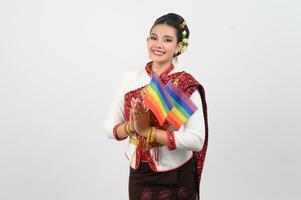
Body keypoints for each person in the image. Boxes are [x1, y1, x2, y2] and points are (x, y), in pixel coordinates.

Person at [104, 13, 209, 200]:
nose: (158, 44)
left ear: (178, 47)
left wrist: (149, 132)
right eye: (154, 38)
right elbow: (109, 128)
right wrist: (132, 127)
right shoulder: (131, 79)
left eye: (167, 40)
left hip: (176, 175)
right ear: (147, 40)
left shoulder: (185, 84)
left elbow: (196, 140)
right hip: (139, 173)